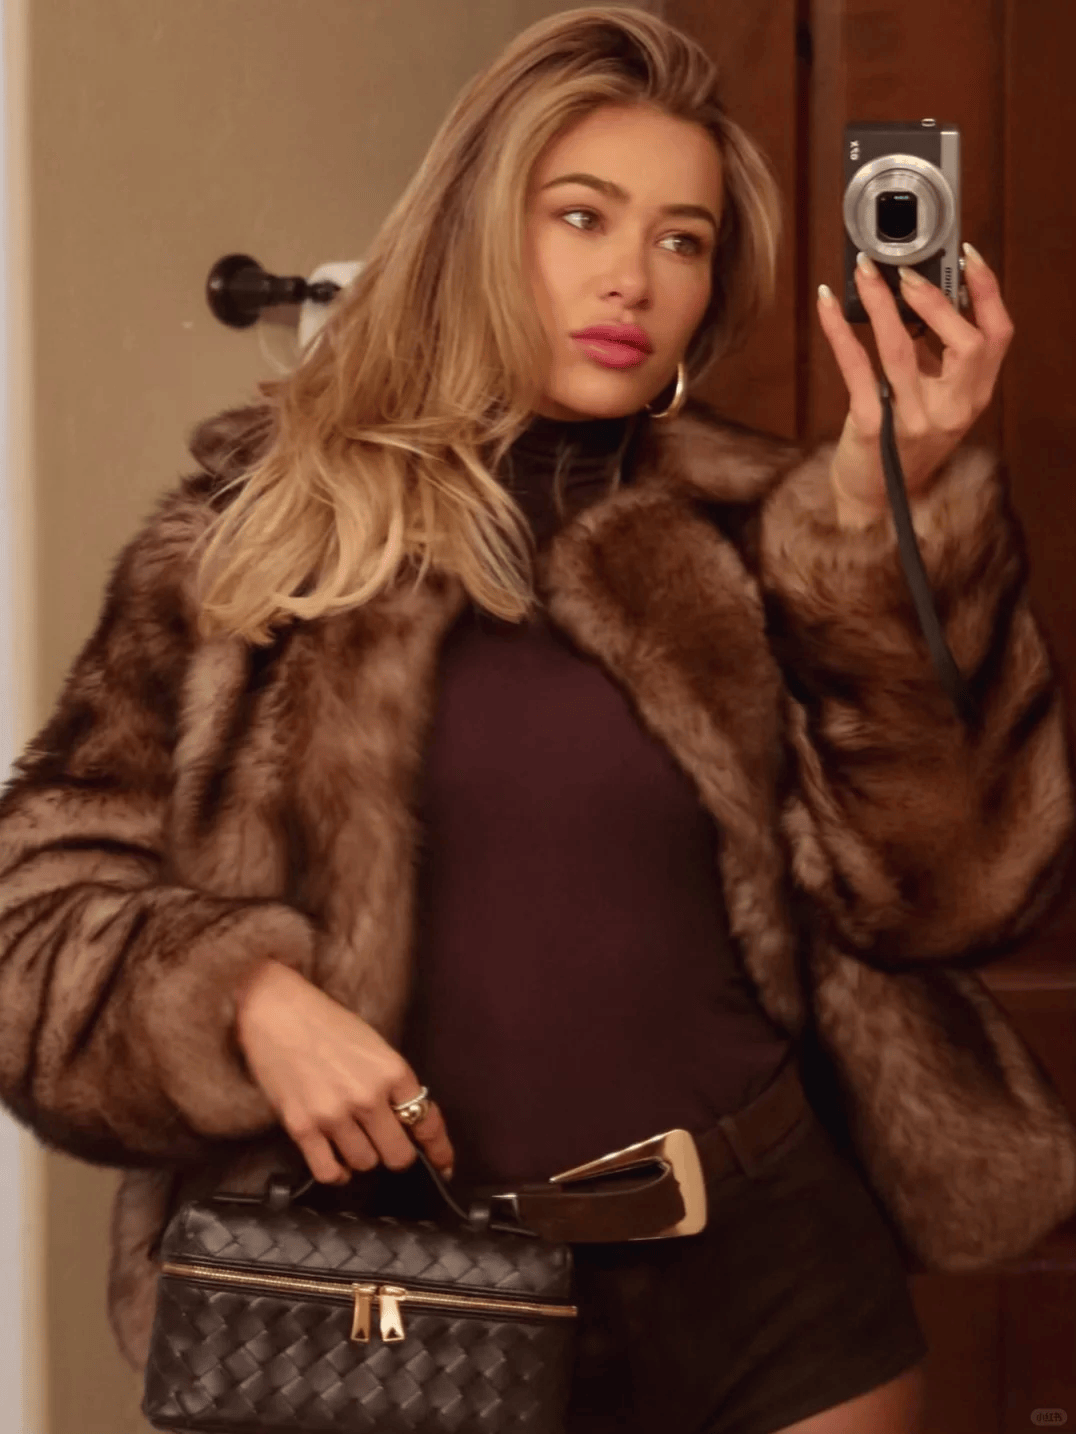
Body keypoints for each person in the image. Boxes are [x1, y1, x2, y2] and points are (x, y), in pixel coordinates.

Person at [0, 8, 1072, 1433]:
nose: (634, 276)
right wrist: (244, 997)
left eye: (684, 239)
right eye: (582, 216)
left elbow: (955, 892)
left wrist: (890, 522)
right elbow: (30, 916)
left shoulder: (778, 532)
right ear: (475, 230)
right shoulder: (255, 544)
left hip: (772, 1283)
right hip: (399, 1304)